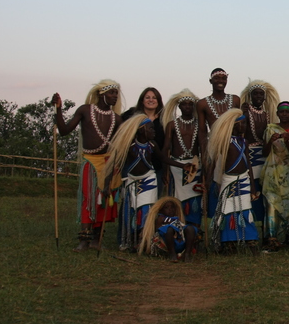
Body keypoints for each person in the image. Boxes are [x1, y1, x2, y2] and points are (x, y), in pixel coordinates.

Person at [52, 80, 124, 252]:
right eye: (111, 93)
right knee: (89, 199)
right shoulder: (85, 110)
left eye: (116, 93)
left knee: (104, 199)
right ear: (101, 94)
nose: (115, 96)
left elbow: (118, 146)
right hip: (90, 162)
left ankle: (97, 240)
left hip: (108, 163)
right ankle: (84, 240)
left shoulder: (117, 119)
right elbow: (64, 131)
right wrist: (59, 110)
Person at [104, 115, 194, 251]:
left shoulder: (152, 145)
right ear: (141, 130)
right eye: (151, 128)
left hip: (149, 180)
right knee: (130, 212)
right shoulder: (129, 145)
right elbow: (114, 164)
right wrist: (107, 185)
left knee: (146, 211)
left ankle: (143, 241)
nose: (154, 131)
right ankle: (129, 240)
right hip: (131, 182)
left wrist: (182, 166)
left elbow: (163, 158)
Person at [207, 108, 260, 255]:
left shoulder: (244, 142)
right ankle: (227, 242)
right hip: (228, 180)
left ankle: (250, 241)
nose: (245, 126)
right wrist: (209, 181)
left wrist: (253, 186)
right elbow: (214, 163)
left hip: (244, 179)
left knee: (245, 209)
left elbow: (249, 164)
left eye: (245, 123)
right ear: (235, 125)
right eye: (243, 123)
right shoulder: (224, 141)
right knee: (227, 210)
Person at [196, 68, 240, 218]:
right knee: (214, 181)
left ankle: (231, 217)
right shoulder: (202, 103)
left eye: (223, 78)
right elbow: (202, 131)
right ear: (211, 81)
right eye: (217, 78)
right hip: (214, 146)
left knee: (231, 179)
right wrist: (205, 153)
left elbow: (240, 125)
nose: (220, 81)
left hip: (232, 146)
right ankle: (214, 218)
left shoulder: (235, 100)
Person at [240, 80, 280, 239]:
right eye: (255, 94)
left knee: (265, 195)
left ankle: (267, 233)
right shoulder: (244, 111)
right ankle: (247, 233)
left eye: (260, 94)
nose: (258, 96)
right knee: (249, 194)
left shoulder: (268, 115)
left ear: (265, 97)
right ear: (250, 96)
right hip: (248, 156)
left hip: (265, 158)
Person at [161, 89, 203, 228]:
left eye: (190, 104)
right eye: (184, 104)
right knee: (176, 201)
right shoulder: (172, 125)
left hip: (195, 167)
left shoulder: (199, 124)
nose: (187, 107)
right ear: (179, 106)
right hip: (176, 167)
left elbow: (203, 148)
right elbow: (165, 149)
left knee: (195, 200)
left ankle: (195, 231)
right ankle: (177, 230)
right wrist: (166, 170)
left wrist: (204, 172)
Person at [261, 101, 289, 251]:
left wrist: (287, 140)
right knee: (271, 203)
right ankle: (271, 239)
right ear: (277, 113)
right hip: (273, 172)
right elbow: (264, 153)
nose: (284, 114)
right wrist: (270, 142)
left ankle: (288, 237)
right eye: (281, 111)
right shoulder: (270, 128)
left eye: (287, 112)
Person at [121, 87, 166, 193]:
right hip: (132, 165)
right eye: (147, 97)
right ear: (142, 100)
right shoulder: (131, 115)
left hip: (156, 166)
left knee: (153, 197)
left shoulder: (164, 119)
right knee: (130, 197)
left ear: (159, 101)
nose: (151, 100)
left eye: (154, 98)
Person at [138, 197, 198, 262]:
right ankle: (172, 254)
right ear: (161, 210)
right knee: (169, 229)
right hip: (166, 242)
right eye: (166, 208)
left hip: (179, 240)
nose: (170, 209)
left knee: (190, 228)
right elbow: (158, 232)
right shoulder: (160, 218)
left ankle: (187, 254)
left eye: (172, 207)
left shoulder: (176, 218)